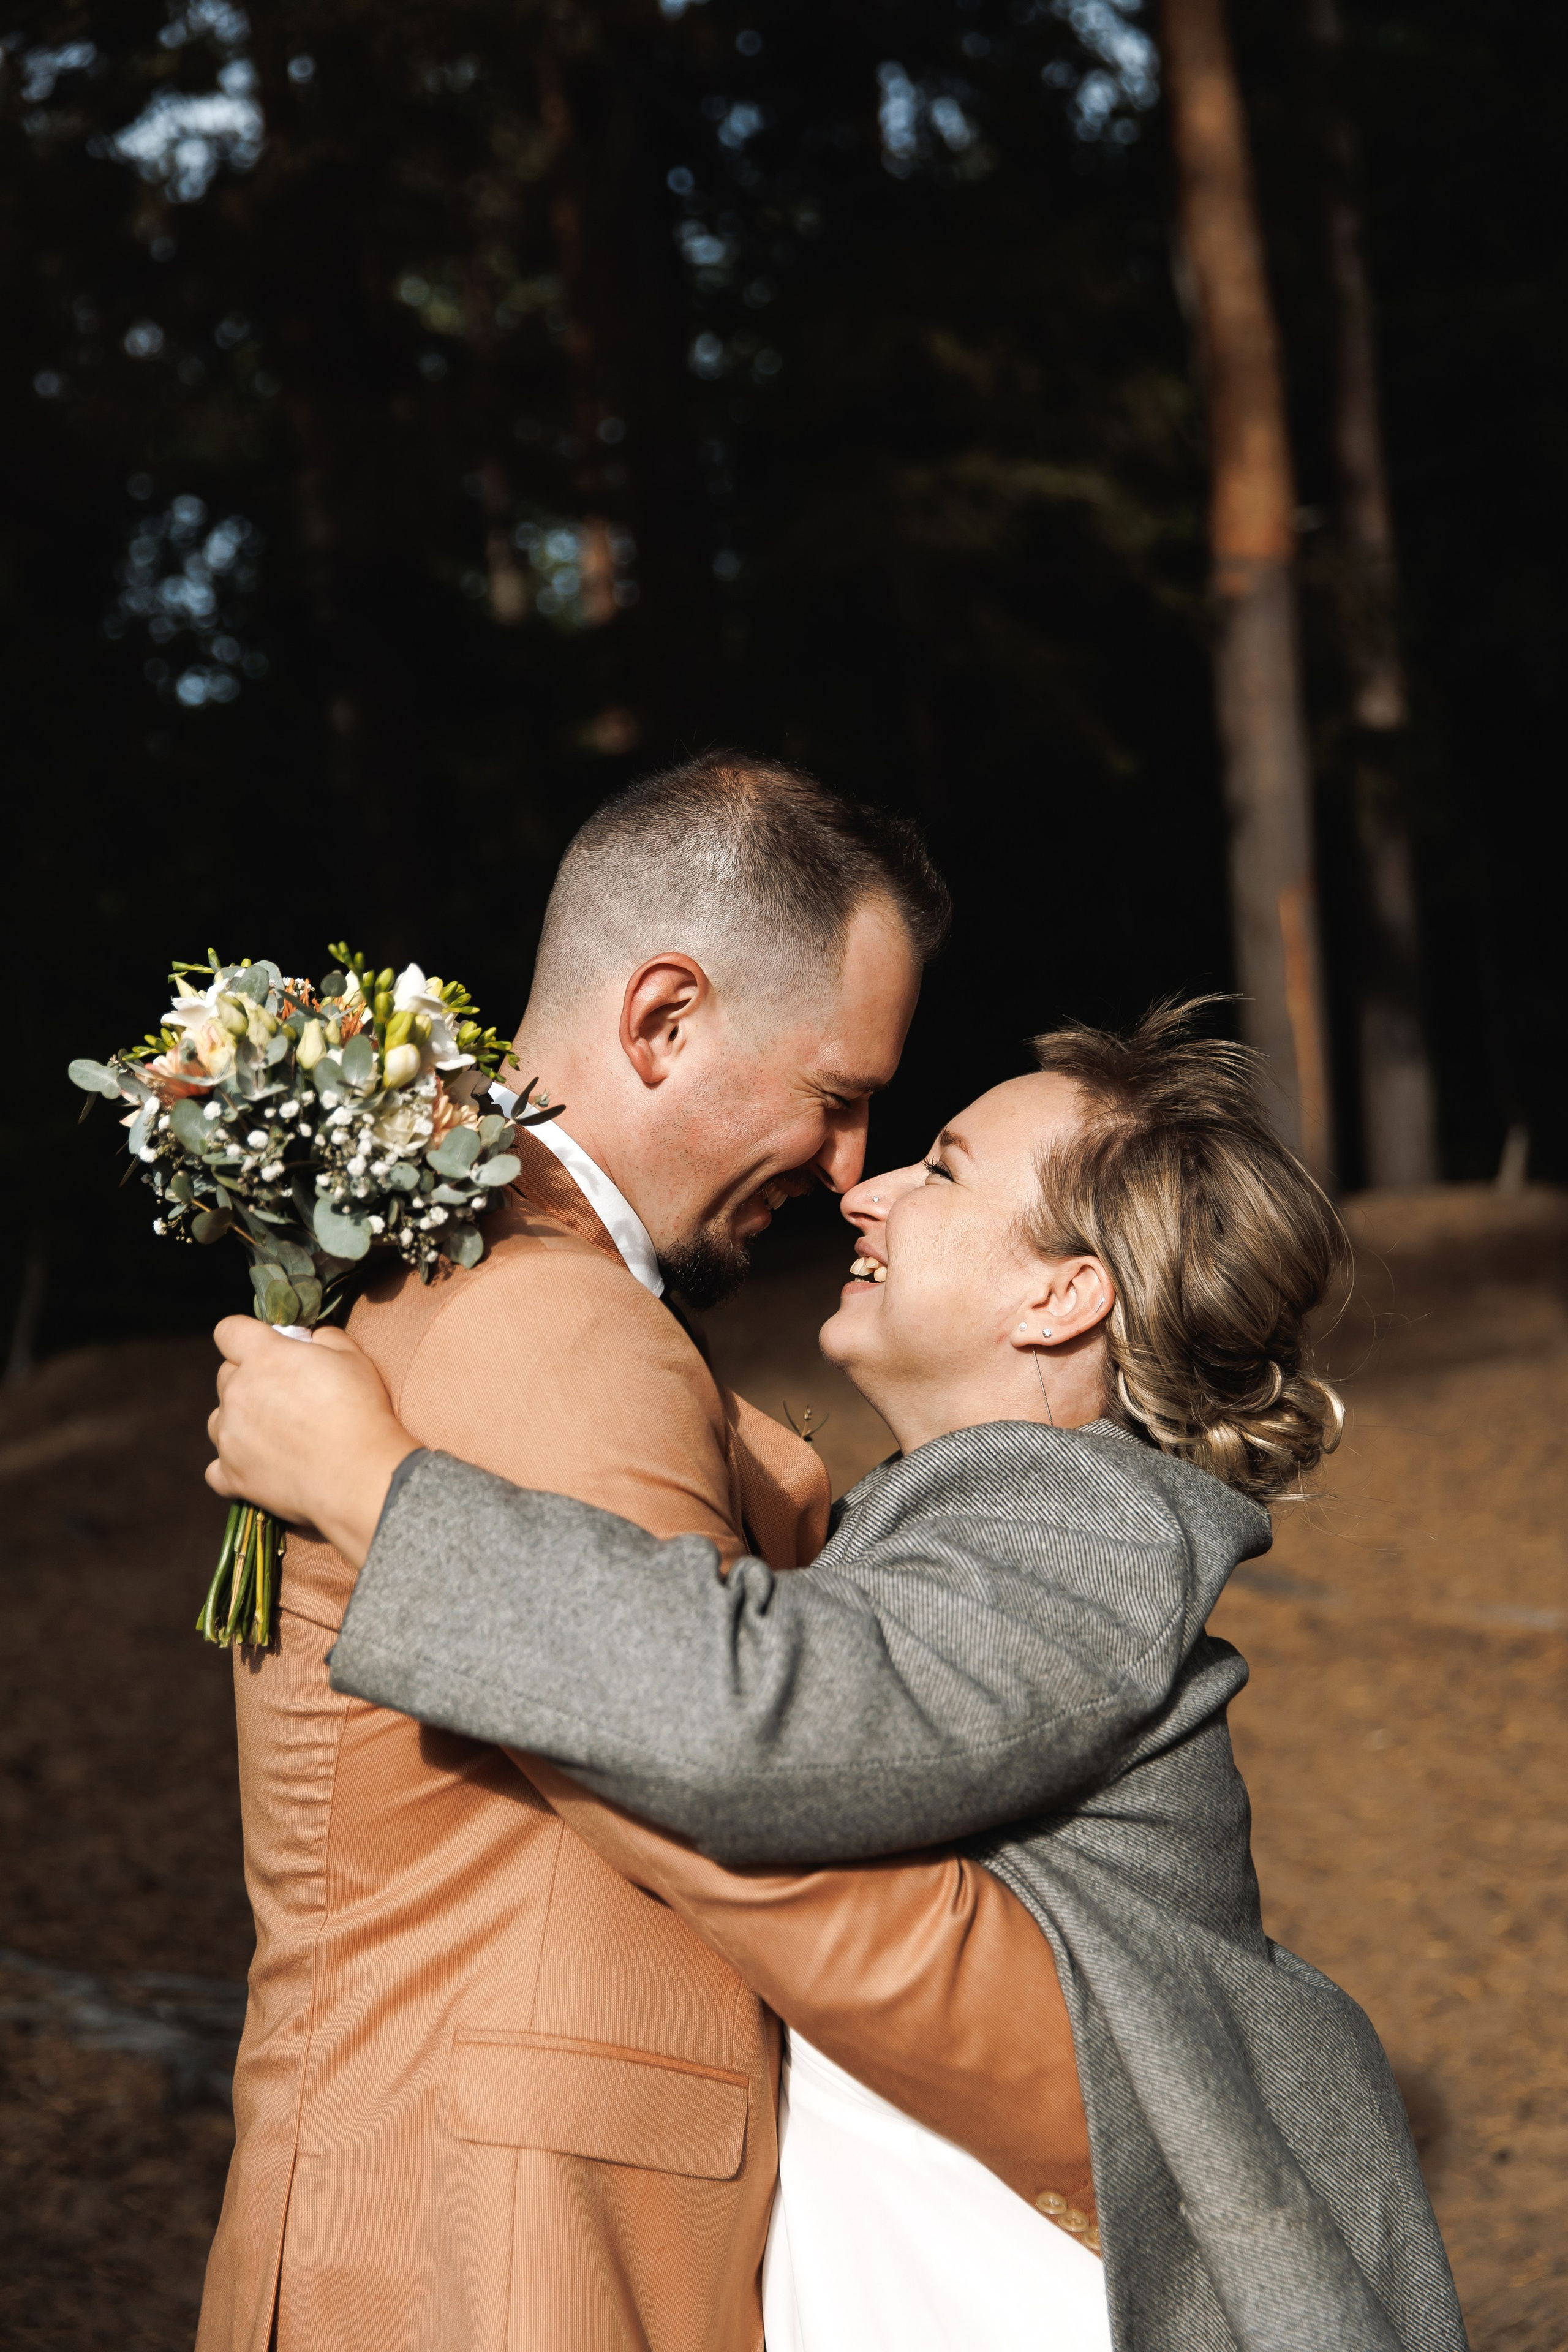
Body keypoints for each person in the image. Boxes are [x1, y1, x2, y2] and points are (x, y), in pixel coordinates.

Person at [210, 1003, 1469, 2352]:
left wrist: (371, 1490)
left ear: (1061, 1296)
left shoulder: (1090, 1523)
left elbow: (762, 1719)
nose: (866, 1191)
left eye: (942, 1171)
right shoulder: (970, 1525)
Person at [195, 753, 1097, 2352]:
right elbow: (730, 1793)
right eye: (835, 1096)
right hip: (509, 2262)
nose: (847, 1166)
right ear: (664, 1019)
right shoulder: (550, 1319)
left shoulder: (467, 1271)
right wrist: (1116, 2102)